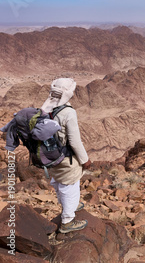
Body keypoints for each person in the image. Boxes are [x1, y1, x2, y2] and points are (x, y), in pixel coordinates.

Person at [40, 78, 92, 234]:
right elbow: (75, 141)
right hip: (64, 156)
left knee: (58, 178)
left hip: (50, 155)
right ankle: (67, 221)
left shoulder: (46, 107)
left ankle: (70, 204)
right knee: (70, 183)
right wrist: (85, 160)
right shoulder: (68, 112)